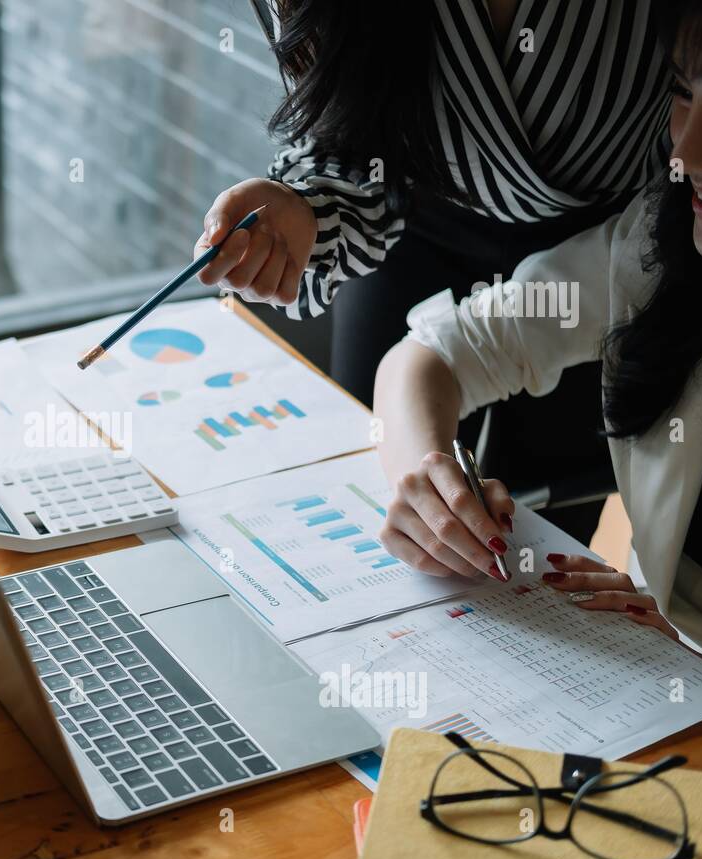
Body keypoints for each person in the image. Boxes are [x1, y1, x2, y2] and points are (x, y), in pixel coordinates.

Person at [195, 0, 672, 542]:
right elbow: (348, 127)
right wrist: (305, 208)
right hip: (413, 222)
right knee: (374, 515)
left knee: (537, 545)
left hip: (601, 258)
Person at [371, 0, 702, 657]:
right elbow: (434, 356)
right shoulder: (655, 242)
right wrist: (430, 484)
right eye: (681, 92)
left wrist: (699, 649)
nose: (685, 148)